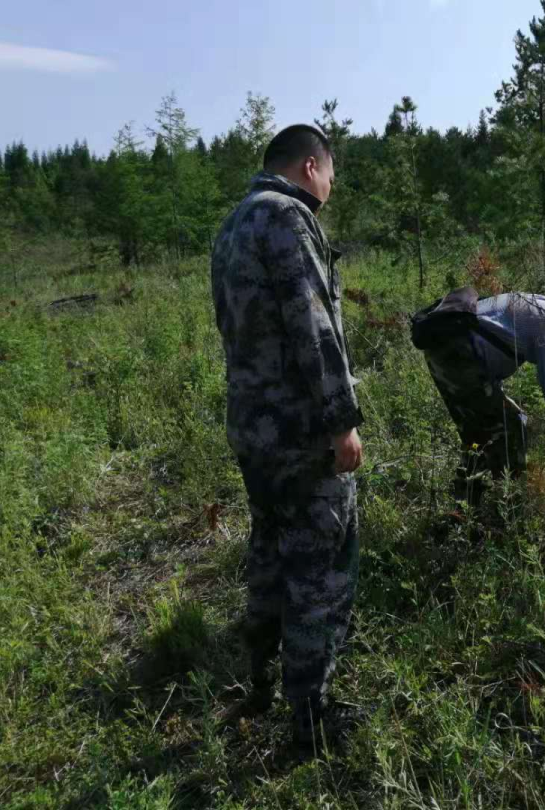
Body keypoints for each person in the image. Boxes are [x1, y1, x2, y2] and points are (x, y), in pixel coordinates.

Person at [210, 124, 364, 745]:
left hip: (252, 427)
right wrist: (342, 422)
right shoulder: (288, 220)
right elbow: (314, 327)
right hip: (301, 434)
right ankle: (311, 719)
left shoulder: (233, 224)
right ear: (309, 166)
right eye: (330, 172)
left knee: (270, 552)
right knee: (321, 569)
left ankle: (259, 680)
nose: (330, 184)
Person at [422, 291, 545, 507]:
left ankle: (464, 508)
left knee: (480, 432)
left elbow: (492, 337)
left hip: (446, 348)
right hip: (459, 354)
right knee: (510, 429)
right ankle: (509, 509)